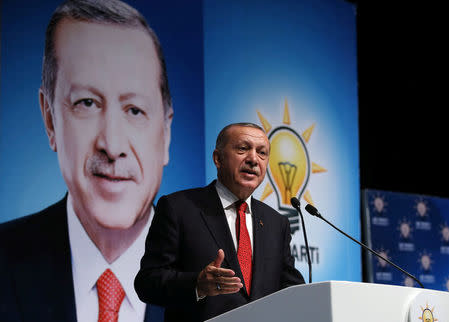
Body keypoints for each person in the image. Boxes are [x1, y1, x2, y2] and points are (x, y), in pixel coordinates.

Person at [0, 0, 173, 321]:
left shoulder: (222, 284)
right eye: (87, 103)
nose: (112, 145)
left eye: (134, 110)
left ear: (166, 132)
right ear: (50, 119)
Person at [134, 123, 305, 321]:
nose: (253, 159)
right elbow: (147, 282)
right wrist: (197, 284)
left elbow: (292, 289)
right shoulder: (179, 208)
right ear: (218, 158)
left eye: (262, 153)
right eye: (242, 149)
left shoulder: (277, 223)